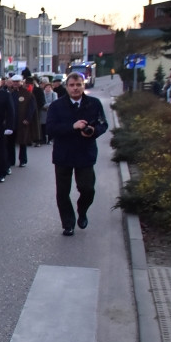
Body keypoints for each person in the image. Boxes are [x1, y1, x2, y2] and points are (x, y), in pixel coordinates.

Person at [44, 72, 108, 236]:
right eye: (72, 85)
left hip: (85, 153)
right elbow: (50, 129)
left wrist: (93, 131)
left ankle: (82, 210)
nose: (75, 88)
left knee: (88, 189)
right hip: (63, 154)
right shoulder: (57, 106)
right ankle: (68, 223)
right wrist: (72, 126)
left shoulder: (94, 103)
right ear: (67, 87)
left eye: (78, 85)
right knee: (63, 192)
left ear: (83, 85)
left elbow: (103, 124)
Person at [9, 75, 36, 168]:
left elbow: (31, 108)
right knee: (10, 142)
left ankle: (23, 160)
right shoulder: (10, 93)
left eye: (18, 81)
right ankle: (11, 160)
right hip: (12, 121)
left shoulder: (27, 94)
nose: (16, 83)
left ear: (21, 82)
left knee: (22, 142)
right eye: (14, 82)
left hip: (22, 122)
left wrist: (28, 119)